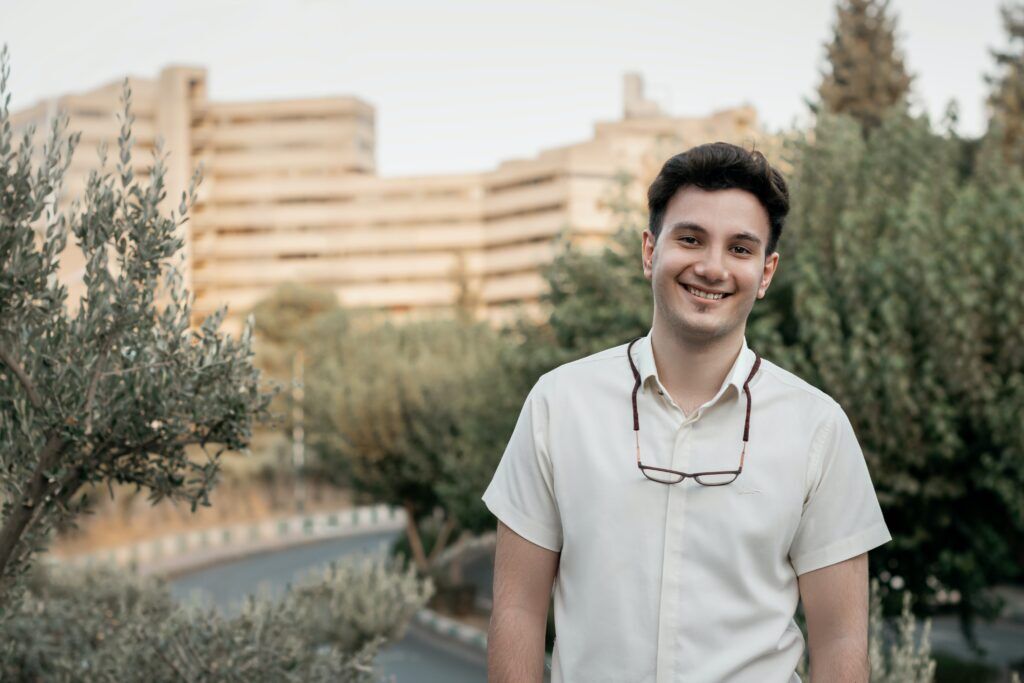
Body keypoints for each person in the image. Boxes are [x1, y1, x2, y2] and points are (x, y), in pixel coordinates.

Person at [481, 142, 891, 683]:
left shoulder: (818, 427)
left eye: (740, 249)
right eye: (691, 238)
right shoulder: (558, 405)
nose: (711, 266)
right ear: (650, 250)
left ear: (766, 273)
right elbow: (517, 612)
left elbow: (839, 640)